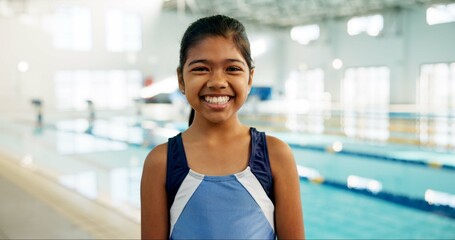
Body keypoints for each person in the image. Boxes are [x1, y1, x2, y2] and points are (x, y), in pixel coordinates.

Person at [141, 14, 304, 239]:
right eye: (201, 69)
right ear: (181, 79)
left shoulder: (275, 155)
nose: (217, 81)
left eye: (232, 69)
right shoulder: (161, 162)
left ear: (249, 78)